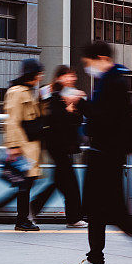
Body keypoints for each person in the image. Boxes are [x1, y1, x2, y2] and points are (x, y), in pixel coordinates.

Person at [64, 41, 132, 264]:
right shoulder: (112, 81)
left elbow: (105, 121)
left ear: (101, 58)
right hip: (107, 155)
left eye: (88, 63)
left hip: (104, 156)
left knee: (103, 210)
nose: (86, 68)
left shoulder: (113, 83)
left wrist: (80, 103)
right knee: (105, 210)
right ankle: (100, 256)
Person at [30, 65, 87, 228]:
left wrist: (74, 108)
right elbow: (52, 119)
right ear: (59, 77)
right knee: (70, 182)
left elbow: (77, 120)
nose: (72, 79)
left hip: (66, 144)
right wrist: (68, 110)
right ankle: (73, 217)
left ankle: (35, 206)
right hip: (56, 144)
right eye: (69, 76)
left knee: (60, 181)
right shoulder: (50, 93)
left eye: (73, 76)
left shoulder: (72, 94)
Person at [0, 59, 45, 231]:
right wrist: (13, 146)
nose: (40, 76)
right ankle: (22, 220)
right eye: (39, 73)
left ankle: (22, 218)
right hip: (22, 146)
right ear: (31, 74)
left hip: (29, 146)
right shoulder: (16, 92)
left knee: (25, 183)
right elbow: (12, 121)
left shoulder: (27, 91)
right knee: (24, 184)